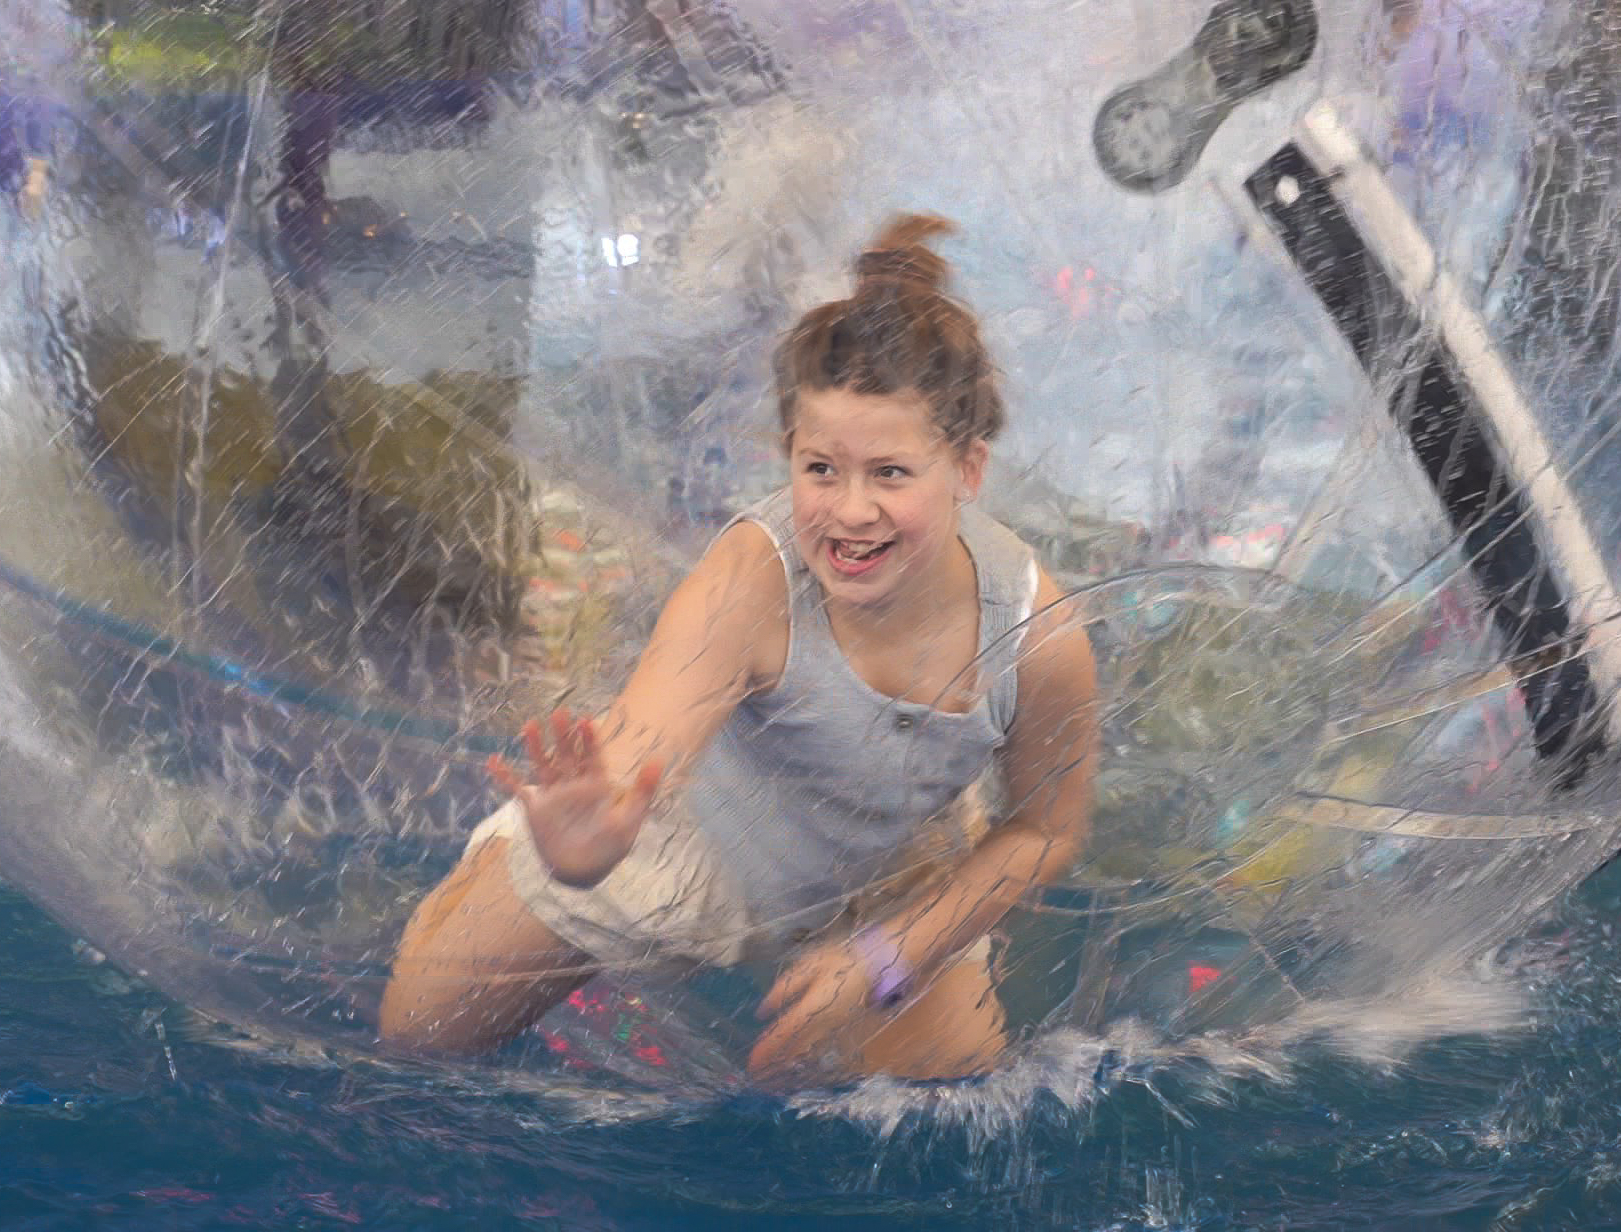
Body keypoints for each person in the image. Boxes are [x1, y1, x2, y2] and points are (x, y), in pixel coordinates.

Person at [379, 216, 1100, 1084]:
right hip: (689, 845)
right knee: (416, 1039)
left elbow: (1044, 831)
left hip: (889, 871)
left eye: (892, 474)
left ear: (968, 470)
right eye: (821, 468)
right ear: (787, 453)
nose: (850, 511)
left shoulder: (1035, 634)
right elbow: (647, 742)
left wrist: (883, 958)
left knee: (939, 1114)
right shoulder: (752, 582)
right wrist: (593, 838)